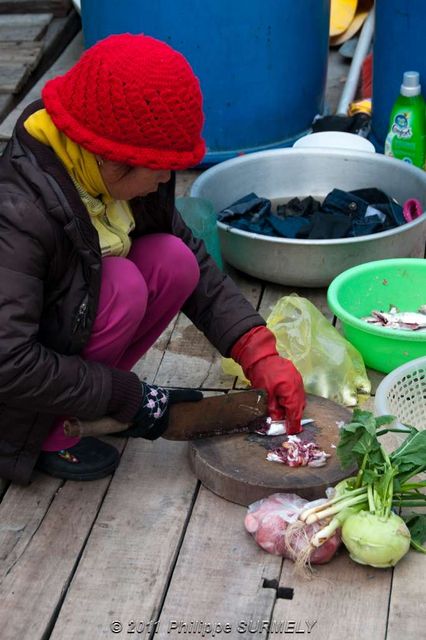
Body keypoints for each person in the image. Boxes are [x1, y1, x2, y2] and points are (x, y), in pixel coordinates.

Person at [0, 33, 305, 484]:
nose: (167, 179)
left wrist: (257, 351)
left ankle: (95, 403)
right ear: (111, 159)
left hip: (68, 342)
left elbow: (196, 267)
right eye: (159, 168)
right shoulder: (20, 209)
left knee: (172, 258)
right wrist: (131, 396)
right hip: (16, 399)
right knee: (122, 283)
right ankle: (53, 433)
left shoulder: (121, 175)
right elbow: (10, 361)